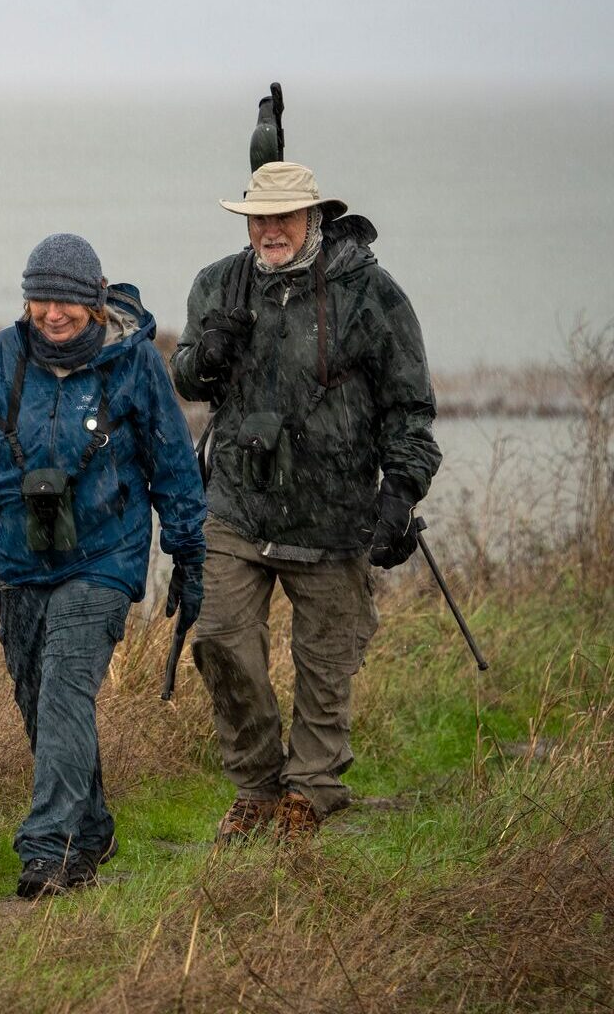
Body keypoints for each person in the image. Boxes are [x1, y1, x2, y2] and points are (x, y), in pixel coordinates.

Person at [0, 233, 207, 897]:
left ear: (94, 301)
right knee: (38, 700)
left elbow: (173, 464)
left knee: (64, 689)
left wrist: (190, 551)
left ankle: (46, 850)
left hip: (105, 556)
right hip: (21, 558)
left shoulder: (134, 365)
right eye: (41, 298)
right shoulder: (2, 357)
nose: (53, 313)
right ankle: (92, 829)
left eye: (68, 301)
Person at [172, 161, 441, 843]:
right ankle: (258, 787)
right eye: (259, 218)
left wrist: (400, 494)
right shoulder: (219, 283)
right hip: (236, 506)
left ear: (314, 218)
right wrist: (211, 349)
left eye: (285, 217)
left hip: (333, 511)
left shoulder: (370, 294)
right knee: (220, 643)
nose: (270, 230)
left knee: (327, 662)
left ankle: (312, 789)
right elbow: (186, 377)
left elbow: (407, 407)